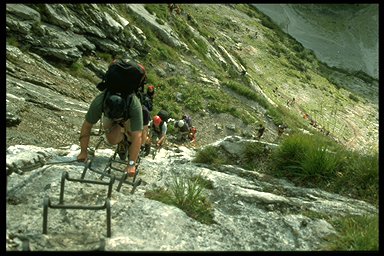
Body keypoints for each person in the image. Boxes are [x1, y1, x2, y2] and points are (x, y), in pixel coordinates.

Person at [77, 90, 143, 177]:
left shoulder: (134, 106)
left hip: (128, 118)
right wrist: (83, 152)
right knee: (112, 141)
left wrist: (131, 164)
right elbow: (87, 126)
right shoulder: (99, 102)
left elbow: (137, 137)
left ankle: (128, 142)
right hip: (110, 116)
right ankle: (122, 140)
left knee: (132, 136)